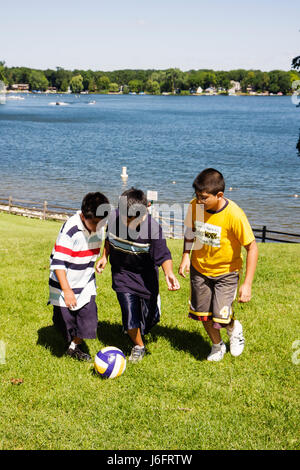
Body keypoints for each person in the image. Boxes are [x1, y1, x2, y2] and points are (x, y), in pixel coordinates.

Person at [179, 168, 258, 362]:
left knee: (220, 316)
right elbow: (190, 231)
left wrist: (247, 284)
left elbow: (252, 247)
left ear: (219, 195)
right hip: (199, 270)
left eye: (204, 197)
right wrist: (185, 256)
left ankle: (233, 328)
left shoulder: (234, 215)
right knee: (203, 314)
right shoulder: (195, 206)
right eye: (197, 196)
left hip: (226, 273)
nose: (199, 201)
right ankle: (217, 345)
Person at [96, 187, 180, 363]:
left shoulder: (152, 229)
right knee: (129, 315)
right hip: (122, 274)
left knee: (149, 320)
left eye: (140, 218)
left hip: (145, 277)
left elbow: (163, 255)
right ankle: (138, 346)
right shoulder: (112, 218)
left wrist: (169, 273)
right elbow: (109, 238)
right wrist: (105, 256)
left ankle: (147, 317)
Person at [49, 192, 110, 361]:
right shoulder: (71, 229)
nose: (99, 227)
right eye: (95, 223)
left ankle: (75, 346)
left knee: (89, 317)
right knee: (66, 322)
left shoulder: (100, 222)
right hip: (64, 282)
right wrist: (67, 290)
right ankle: (62, 325)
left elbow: (108, 238)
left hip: (86, 280)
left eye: (102, 223)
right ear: (83, 216)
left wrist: (104, 256)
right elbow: (58, 263)